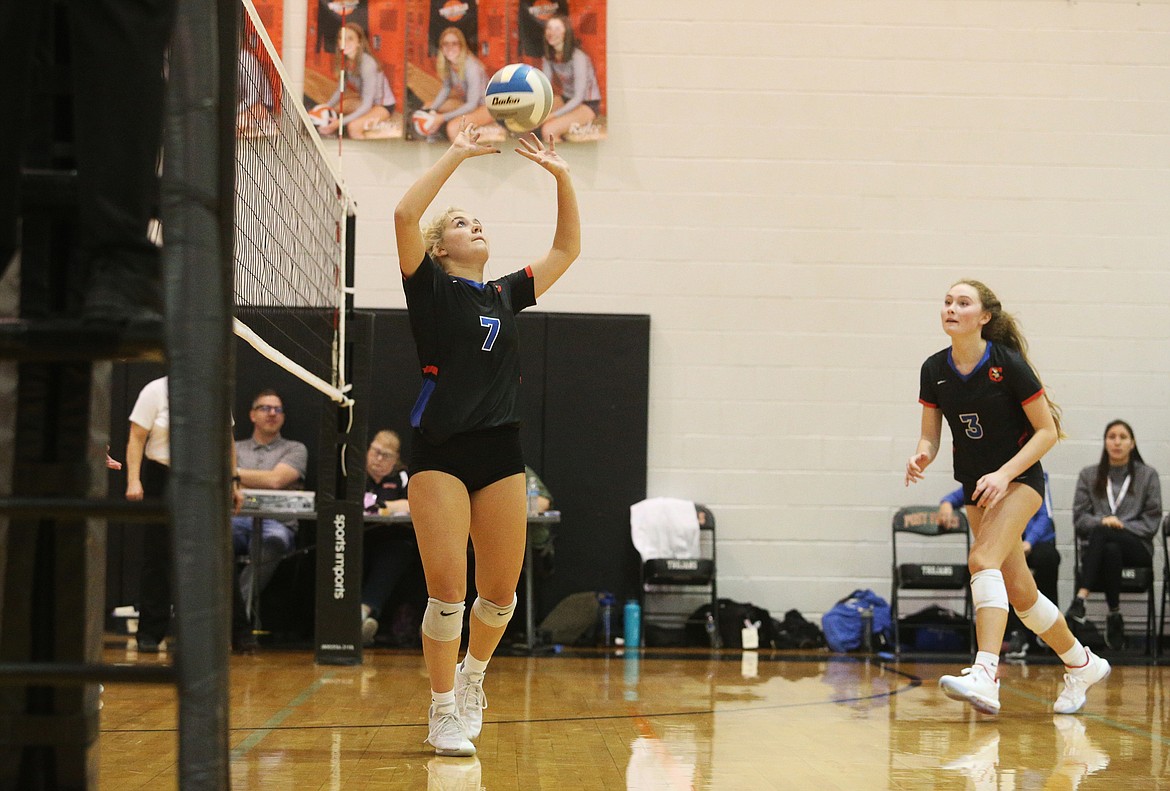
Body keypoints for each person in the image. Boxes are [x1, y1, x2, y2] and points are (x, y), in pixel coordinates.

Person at [393, 122, 579, 755]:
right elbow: (404, 212)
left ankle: (473, 680)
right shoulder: (430, 287)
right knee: (448, 594)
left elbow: (566, 250)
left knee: (499, 594)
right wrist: (459, 153)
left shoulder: (504, 294)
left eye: (478, 222)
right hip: (440, 451)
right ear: (440, 248)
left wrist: (563, 177)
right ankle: (442, 708)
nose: (475, 227)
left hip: (500, 451)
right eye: (461, 224)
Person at [905, 279, 1109, 717]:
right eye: (946, 302)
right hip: (976, 488)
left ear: (984, 318)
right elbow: (930, 436)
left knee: (981, 561)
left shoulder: (1007, 364)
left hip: (1019, 481)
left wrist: (1004, 473)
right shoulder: (933, 369)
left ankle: (986, 673)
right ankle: (1082, 663)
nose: (951, 309)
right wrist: (921, 456)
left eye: (963, 302)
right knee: (1021, 592)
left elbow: (1046, 432)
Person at [938, 472, 1061, 660]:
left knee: (1048, 559)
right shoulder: (989, 474)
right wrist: (946, 503)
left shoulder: (1037, 475)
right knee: (991, 567)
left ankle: (1052, 637)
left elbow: (1045, 517)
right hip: (1008, 542)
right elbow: (965, 493)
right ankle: (1014, 634)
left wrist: (1028, 543)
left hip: (1034, 543)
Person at [1067, 419, 1162, 650]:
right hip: (1102, 550)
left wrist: (1120, 524)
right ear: (1105, 442)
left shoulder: (1148, 475)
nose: (1117, 442)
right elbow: (1079, 520)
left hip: (1137, 547)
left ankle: (1080, 599)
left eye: (1122, 437)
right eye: (1112, 437)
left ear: (1132, 443)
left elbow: (1151, 522)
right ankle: (1115, 615)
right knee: (1108, 545)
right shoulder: (1089, 475)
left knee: (1104, 531)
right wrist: (1103, 521)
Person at [232, 389, 309, 618]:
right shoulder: (234, 449)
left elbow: (276, 481)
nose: (272, 413)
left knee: (273, 541)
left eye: (277, 409)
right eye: (265, 408)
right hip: (236, 519)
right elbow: (220, 481)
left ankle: (234, 618)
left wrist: (236, 477)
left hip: (277, 523)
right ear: (252, 415)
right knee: (213, 540)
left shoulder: (295, 449)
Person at [124, 376, 172, 652]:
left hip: (201, 479)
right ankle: (150, 633)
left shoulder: (212, 386)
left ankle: (235, 633)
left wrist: (233, 479)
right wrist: (134, 480)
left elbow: (226, 441)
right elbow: (136, 437)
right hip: (160, 476)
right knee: (157, 557)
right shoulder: (154, 389)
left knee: (212, 558)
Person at [359, 429, 420, 646]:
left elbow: (412, 503)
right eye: (375, 452)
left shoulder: (402, 476)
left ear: (395, 460)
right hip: (358, 537)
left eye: (385, 455)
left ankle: (362, 616)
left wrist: (383, 507)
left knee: (396, 554)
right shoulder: (355, 472)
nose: (378, 459)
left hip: (393, 539)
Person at [418, 27, 505, 144]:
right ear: (441, 48)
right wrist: (432, 110)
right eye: (446, 44)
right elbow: (446, 88)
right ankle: (433, 139)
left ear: (462, 46)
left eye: (454, 44)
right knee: (427, 106)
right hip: (469, 103)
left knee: (452, 128)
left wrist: (442, 118)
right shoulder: (450, 64)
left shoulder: (472, 68)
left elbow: (472, 105)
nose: (450, 48)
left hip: (487, 107)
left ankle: (467, 153)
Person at [312, 23, 397, 140]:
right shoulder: (346, 61)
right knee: (334, 109)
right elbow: (340, 90)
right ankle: (329, 135)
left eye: (350, 39)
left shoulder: (368, 64)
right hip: (367, 101)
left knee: (353, 127)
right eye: (341, 38)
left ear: (359, 43)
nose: (344, 42)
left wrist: (340, 123)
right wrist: (324, 108)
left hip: (383, 106)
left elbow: (367, 105)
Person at [538, 14, 601, 144]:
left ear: (566, 33)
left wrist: (552, 116)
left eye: (557, 29)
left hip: (586, 103)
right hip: (566, 98)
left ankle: (559, 161)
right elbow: (544, 87)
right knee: (534, 119)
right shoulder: (549, 56)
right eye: (549, 28)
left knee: (548, 131)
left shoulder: (578, 57)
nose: (552, 33)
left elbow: (578, 97)